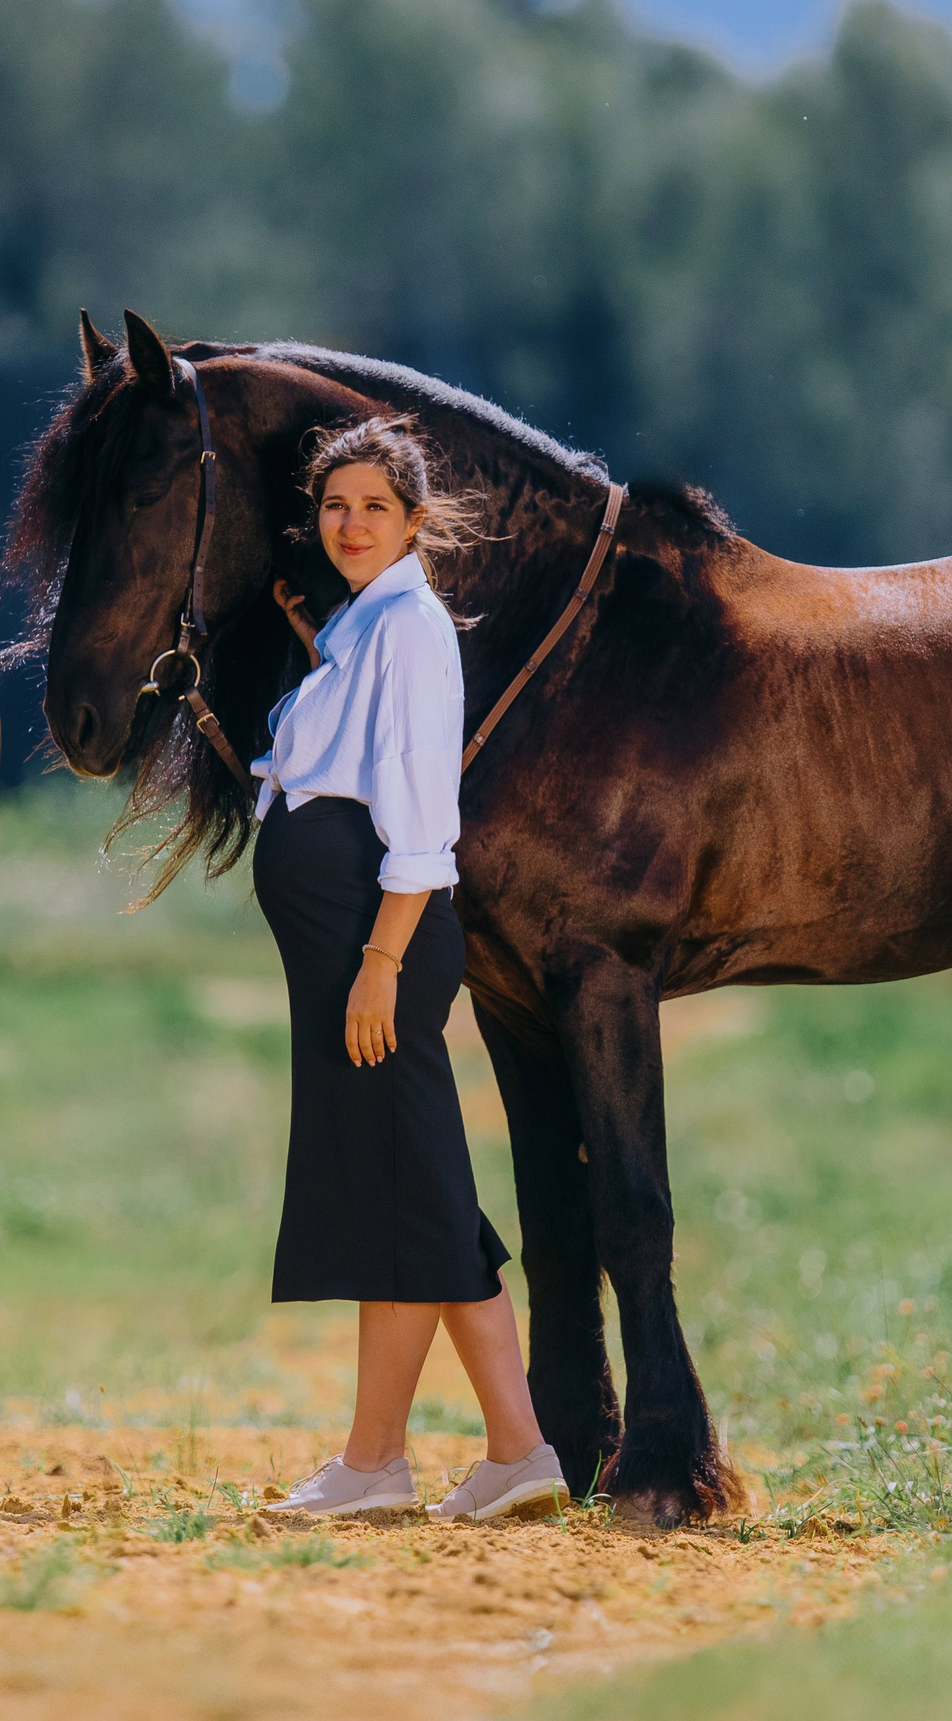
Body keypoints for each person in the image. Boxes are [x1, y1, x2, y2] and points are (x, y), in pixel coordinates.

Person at [249, 414, 567, 1525]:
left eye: (373, 506)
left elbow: (421, 817)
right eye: (334, 504)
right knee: (414, 1188)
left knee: (410, 1192)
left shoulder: (412, 629)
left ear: (415, 520)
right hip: (350, 949)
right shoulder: (359, 628)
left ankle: (406, 1458)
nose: (349, 522)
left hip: (374, 947)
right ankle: (484, 1451)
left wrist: (380, 961)